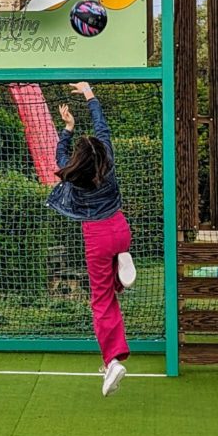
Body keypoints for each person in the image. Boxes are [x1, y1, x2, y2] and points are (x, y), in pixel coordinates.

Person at [46, 82, 136, 397]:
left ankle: (111, 361)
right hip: (120, 228)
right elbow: (102, 126)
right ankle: (122, 265)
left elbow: (60, 158)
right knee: (108, 288)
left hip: (97, 237)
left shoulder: (74, 177)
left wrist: (67, 129)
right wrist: (89, 94)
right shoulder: (107, 157)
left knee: (100, 301)